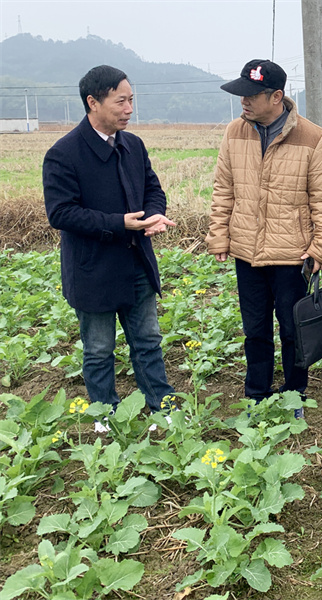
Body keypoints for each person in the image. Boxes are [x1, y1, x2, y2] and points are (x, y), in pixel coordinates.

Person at [43, 65, 177, 430]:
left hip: (136, 263)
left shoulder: (132, 146)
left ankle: (162, 407)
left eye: (131, 100)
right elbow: (61, 213)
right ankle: (104, 412)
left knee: (148, 340)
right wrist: (119, 223)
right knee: (99, 349)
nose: (129, 108)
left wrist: (154, 214)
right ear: (93, 102)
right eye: (121, 101)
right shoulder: (64, 153)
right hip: (93, 270)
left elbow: (152, 189)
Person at [206, 59, 322, 418]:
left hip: (292, 255)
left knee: (293, 328)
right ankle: (257, 393)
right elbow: (224, 188)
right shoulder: (235, 132)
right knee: (255, 329)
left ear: (277, 97)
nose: (244, 101)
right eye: (242, 95)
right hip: (247, 250)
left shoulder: (314, 138)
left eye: (252, 95)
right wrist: (219, 234)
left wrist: (321, 249)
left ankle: (295, 393)